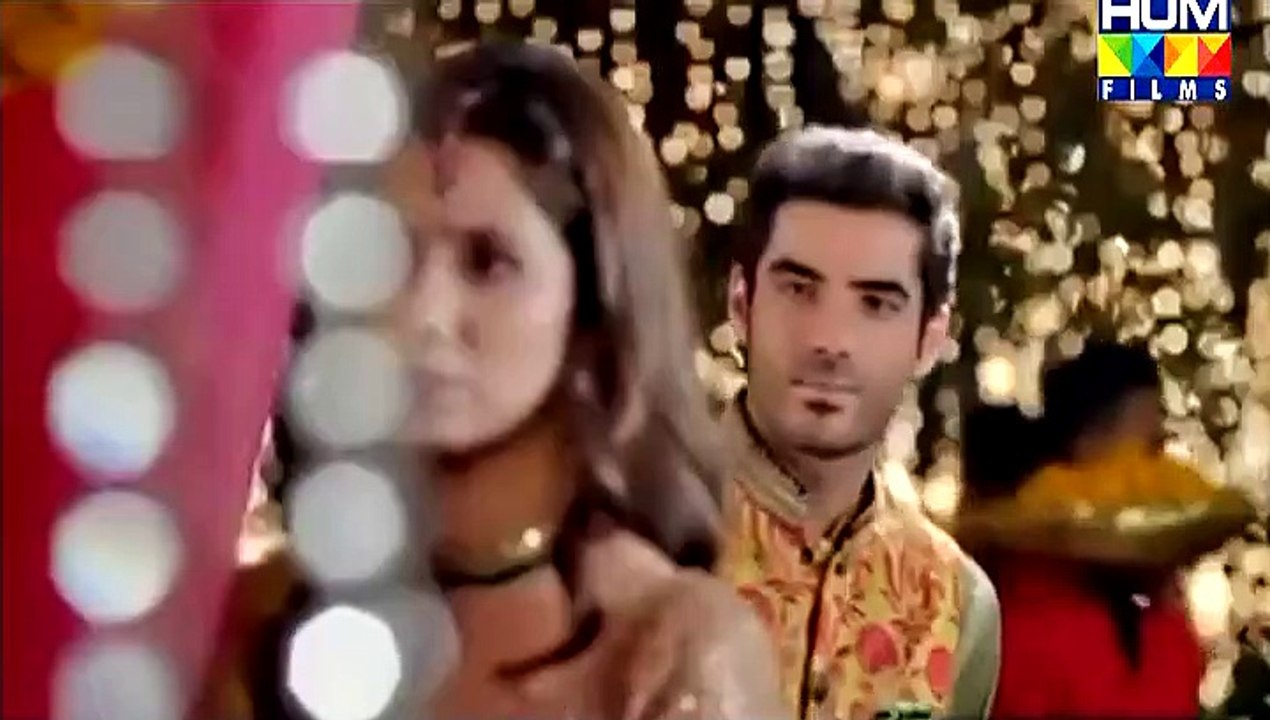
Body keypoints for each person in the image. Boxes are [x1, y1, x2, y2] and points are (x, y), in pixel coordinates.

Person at [199, 42, 783, 720]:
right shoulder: (258, 620)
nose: (423, 315)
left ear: (593, 305)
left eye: (487, 262)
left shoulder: (665, 649)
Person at [714, 126, 1000, 720]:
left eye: (876, 304)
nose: (831, 340)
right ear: (742, 303)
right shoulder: (629, 540)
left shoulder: (954, 602)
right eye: (799, 289)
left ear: (930, 338)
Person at [965, 341, 1205, 717]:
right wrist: (1166, 610)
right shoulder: (1044, 608)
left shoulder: (1098, 594)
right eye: (1150, 449)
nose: (1161, 473)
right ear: (1088, 444)